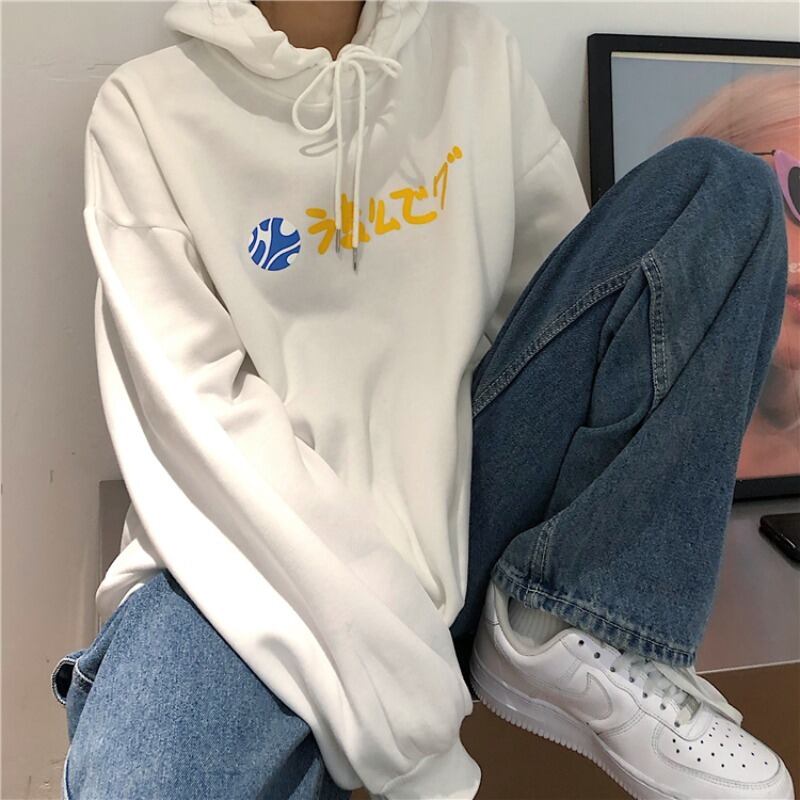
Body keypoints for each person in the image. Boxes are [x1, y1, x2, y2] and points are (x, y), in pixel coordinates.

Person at [49, 1, 796, 798]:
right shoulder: (147, 110)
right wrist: (405, 716)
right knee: (145, 776)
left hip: (470, 503)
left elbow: (570, 319)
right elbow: (199, 426)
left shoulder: (476, 56)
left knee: (724, 189)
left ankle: (559, 622)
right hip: (255, 552)